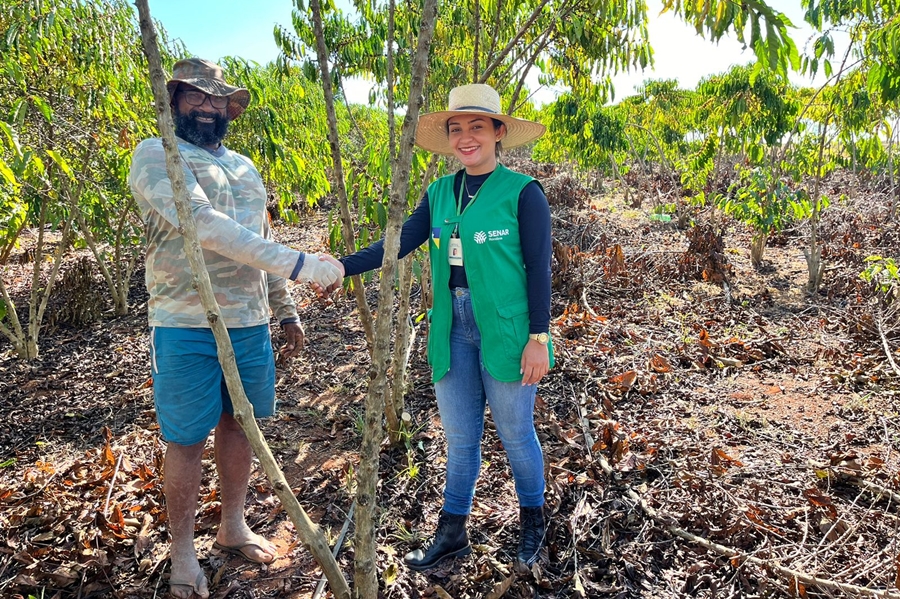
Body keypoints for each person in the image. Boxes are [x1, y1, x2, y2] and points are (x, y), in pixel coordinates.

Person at [129, 58, 342, 599]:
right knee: (185, 438)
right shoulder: (158, 155)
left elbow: (257, 238)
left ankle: (232, 524)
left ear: (229, 109)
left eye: (216, 100)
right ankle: (181, 552)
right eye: (195, 97)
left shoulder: (247, 168)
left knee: (240, 423)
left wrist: (286, 307)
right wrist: (299, 263)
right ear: (174, 101)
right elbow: (202, 224)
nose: (207, 107)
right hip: (185, 323)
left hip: (250, 323)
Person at [322, 83, 554, 570]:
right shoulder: (439, 192)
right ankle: (452, 531)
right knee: (461, 438)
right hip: (452, 327)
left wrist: (539, 337)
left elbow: (539, 268)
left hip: (508, 331)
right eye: (456, 129)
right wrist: (339, 266)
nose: (465, 138)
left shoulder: (523, 193)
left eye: (476, 127)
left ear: (498, 132)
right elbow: (400, 244)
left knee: (515, 433)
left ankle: (534, 521)